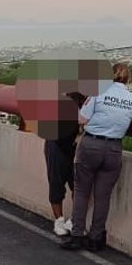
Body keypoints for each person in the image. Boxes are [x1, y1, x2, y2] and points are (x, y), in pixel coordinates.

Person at [66, 62, 132, 252]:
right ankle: (96, 237)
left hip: (91, 145)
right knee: (103, 196)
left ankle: (76, 235)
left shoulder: (98, 94)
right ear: (127, 79)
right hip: (114, 148)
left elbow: (81, 119)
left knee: (82, 192)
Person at [44, 92, 84, 236]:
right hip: (56, 145)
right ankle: (59, 221)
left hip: (74, 147)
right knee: (56, 183)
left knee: (79, 186)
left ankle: (73, 220)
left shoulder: (89, 100)